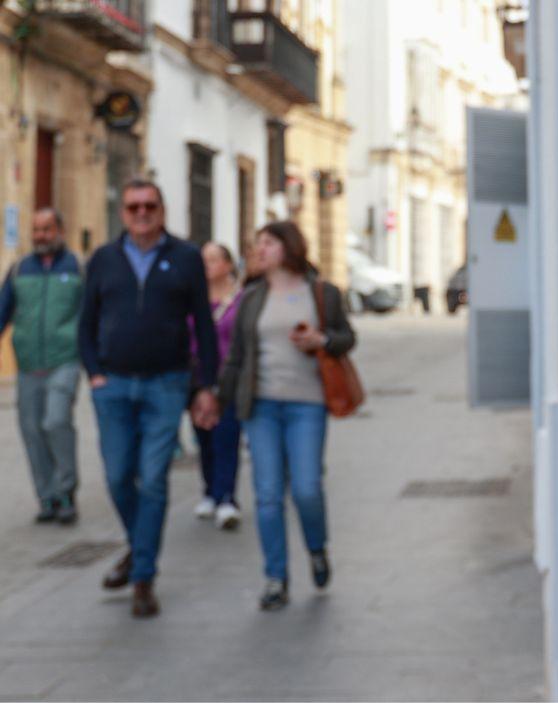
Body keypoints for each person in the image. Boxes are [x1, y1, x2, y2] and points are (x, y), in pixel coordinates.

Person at [79, 179, 220, 618]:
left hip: (166, 384)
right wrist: (95, 374)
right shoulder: (104, 259)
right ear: (123, 213)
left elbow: (204, 324)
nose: (142, 213)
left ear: (163, 209)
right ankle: (138, 547)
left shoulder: (186, 257)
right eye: (133, 206)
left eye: (150, 205)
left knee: (154, 478)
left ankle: (143, 576)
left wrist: (207, 386)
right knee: (119, 476)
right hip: (113, 386)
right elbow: (86, 323)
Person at [218, 221, 355, 611]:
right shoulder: (251, 297)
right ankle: (275, 577)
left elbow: (347, 338)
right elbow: (237, 357)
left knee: (307, 488)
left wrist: (321, 340)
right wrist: (217, 399)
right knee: (267, 495)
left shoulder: (322, 293)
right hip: (261, 407)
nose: (259, 249)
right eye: (257, 243)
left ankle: (316, 548)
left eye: (268, 243)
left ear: (289, 247)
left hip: (306, 405)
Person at [0, 208, 83, 524]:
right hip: (28, 364)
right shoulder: (20, 269)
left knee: (56, 421)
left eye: (47, 229)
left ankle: (66, 491)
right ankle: (47, 497)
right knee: (32, 430)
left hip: (65, 359)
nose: (41, 236)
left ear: (60, 230)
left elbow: (89, 314)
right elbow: (3, 311)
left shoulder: (77, 267)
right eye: (36, 230)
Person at [190, 242, 244, 529]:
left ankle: (227, 497)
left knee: (226, 436)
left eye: (213, 260)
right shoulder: (193, 298)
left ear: (228, 264)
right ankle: (210, 491)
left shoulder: (240, 299)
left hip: (229, 379)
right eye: (203, 259)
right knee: (203, 437)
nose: (206, 265)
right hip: (198, 379)